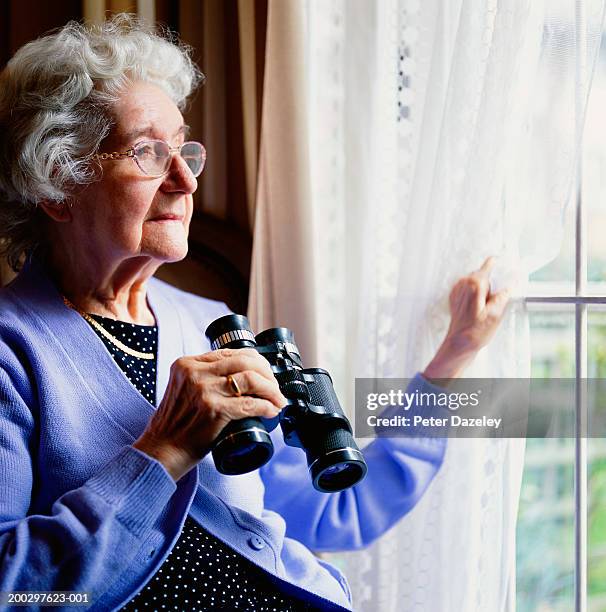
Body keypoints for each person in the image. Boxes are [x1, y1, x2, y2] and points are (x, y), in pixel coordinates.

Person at [0, 15, 509, 612]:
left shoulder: (210, 323)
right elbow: (15, 591)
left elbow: (336, 511)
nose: (186, 180)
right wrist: (162, 452)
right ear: (60, 183)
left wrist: (453, 360)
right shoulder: (12, 351)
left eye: (185, 149)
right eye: (147, 152)